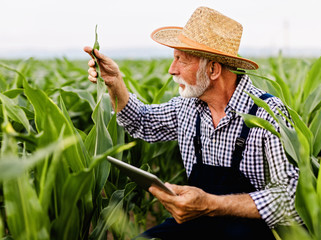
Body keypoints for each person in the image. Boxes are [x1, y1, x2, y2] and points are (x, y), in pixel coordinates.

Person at [84, 6, 301, 239]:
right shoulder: (188, 107)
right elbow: (142, 121)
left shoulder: (268, 114)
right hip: (193, 224)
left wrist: (210, 203)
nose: (171, 69)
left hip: (248, 232)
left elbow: (291, 199)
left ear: (213, 69)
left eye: (181, 60)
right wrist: (115, 82)